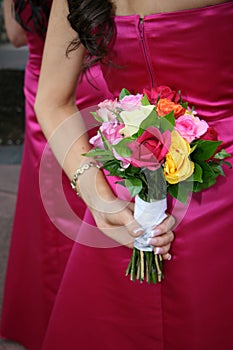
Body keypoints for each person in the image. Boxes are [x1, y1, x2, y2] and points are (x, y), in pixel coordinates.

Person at [35, 0, 233, 349]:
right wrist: (101, 202)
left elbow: (52, 101)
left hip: (127, 196)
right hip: (199, 187)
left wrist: (100, 199)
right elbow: (52, 100)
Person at [0, 1, 114, 349]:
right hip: (89, 84)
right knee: (97, 206)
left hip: (43, 87)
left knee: (50, 213)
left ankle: (50, 318)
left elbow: (17, 36)